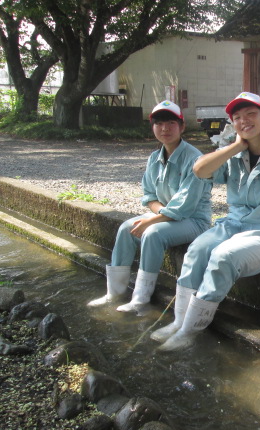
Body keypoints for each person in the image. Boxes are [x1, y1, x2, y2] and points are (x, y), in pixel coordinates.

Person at [151, 92, 260, 351]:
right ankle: (178, 321)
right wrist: (237, 146)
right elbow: (200, 169)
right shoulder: (233, 154)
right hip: (232, 225)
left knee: (223, 256)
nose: (244, 121)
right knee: (196, 250)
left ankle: (190, 330)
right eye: (237, 117)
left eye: (251, 114)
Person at [88, 100, 212, 315]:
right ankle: (114, 293)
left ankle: (141, 298)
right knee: (126, 228)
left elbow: (183, 208)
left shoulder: (195, 159)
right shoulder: (155, 158)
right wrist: (157, 214)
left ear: (182, 127)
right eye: (159, 123)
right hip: (165, 216)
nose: (165, 129)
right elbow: (148, 196)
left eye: (171, 123)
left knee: (153, 233)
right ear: (153, 127)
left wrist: (152, 220)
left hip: (194, 221)